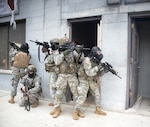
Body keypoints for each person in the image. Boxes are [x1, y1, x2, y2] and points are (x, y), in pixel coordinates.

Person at [50, 41, 84, 119]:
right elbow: (57, 62)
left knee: (76, 94)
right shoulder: (58, 52)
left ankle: (77, 110)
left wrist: (80, 51)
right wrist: (63, 54)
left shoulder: (73, 52)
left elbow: (80, 59)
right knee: (59, 93)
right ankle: (57, 109)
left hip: (72, 75)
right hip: (62, 75)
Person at [74, 46, 109, 120]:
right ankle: (76, 111)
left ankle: (98, 109)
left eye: (100, 52)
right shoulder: (87, 60)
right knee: (82, 96)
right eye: (98, 52)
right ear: (94, 53)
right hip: (84, 80)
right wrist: (98, 67)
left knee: (97, 94)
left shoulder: (96, 61)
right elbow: (89, 72)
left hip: (91, 80)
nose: (100, 54)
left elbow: (99, 74)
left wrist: (105, 70)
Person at [42, 38, 60, 106]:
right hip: (56, 72)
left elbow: (51, 60)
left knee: (52, 87)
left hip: (55, 72)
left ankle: (56, 104)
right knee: (55, 88)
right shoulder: (56, 51)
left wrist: (46, 52)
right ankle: (55, 101)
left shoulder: (57, 52)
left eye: (52, 44)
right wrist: (48, 51)